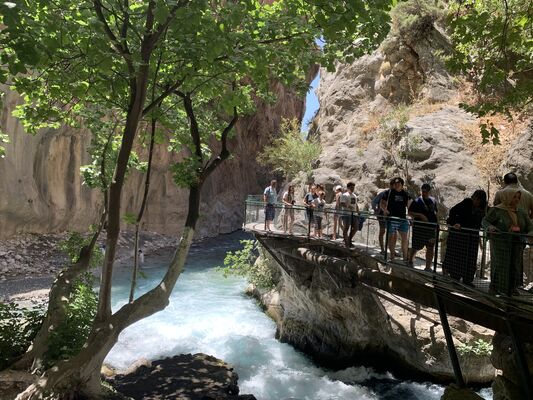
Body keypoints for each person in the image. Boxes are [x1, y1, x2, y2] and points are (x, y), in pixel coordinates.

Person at [483, 187, 533, 295]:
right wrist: (490, 227)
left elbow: (529, 226)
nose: (516, 200)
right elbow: (485, 221)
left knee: (515, 264)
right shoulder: (497, 210)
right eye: (514, 197)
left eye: (518, 197)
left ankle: (511, 288)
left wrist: (530, 233)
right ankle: (496, 287)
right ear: (507, 197)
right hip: (500, 243)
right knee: (501, 264)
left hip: (517, 242)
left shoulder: (521, 212)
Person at [442, 190, 487, 286]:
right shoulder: (466, 203)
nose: (476, 201)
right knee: (458, 256)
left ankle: (467, 279)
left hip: (472, 237)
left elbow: (483, 221)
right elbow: (453, 212)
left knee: (470, 258)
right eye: (475, 198)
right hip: (460, 236)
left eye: (478, 200)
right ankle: (455, 277)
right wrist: (456, 223)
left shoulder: (482, 209)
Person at [408, 183, 438, 271]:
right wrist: (420, 215)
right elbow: (410, 212)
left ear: (429, 191)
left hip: (431, 228)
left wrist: (437, 225)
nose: (423, 193)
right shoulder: (417, 201)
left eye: (425, 191)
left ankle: (428, 267)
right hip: (419, 228)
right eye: (422, 191)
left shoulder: (433, 201)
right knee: (416, 246)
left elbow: (435, 213)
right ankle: (410, 261)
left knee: (430, 247)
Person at [380, 177, 411, 262]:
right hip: (392, 218)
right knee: (392, 238)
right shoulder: (389, 192)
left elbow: (408, 206)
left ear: (402, 185)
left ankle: (405, 258)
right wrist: (385, 210)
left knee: (405, 238)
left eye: (398, 183)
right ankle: (392, 257)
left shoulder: (405, 194)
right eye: (395, 183)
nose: (396, 185)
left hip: (403, 219)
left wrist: (411, 217)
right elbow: (382, 203)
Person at [372, 182, 393, 254]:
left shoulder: (396, 194)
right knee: (382, 231)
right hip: (382, 215)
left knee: (392, 233)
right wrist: (376, 211)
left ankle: (391, 250)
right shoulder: (384, 193)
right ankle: (382, 249)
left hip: (390, 215)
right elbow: (374, 202)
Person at [340, 182, 359, 247]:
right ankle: (346, 242)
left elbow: (355, 204)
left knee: (356, 227)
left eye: (353, 187)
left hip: (353, 214)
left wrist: (358, 211)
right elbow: (342, 203)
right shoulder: (345, 195)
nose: (353, 188)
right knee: (346, 228)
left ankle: (349, 240)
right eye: (351, 187)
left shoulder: (354, 195)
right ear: (348, 188)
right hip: (346, 214)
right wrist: (348, 206)